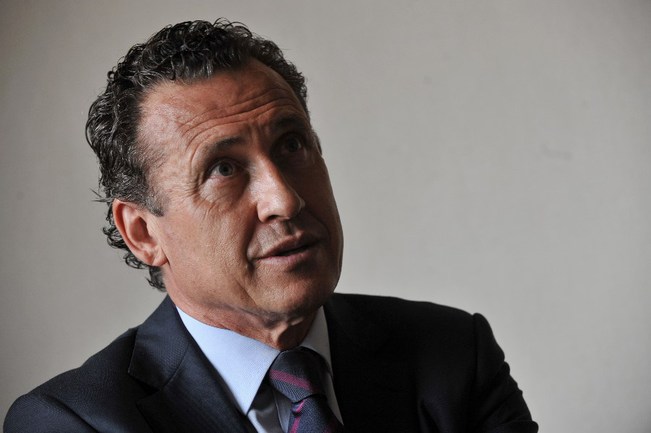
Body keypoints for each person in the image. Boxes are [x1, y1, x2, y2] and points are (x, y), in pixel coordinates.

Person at [4, 19, 537, 433]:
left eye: (292, 145)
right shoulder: (75, 422)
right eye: (223, 169)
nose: (284, 198)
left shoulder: (453, 354)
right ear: (143, 233)